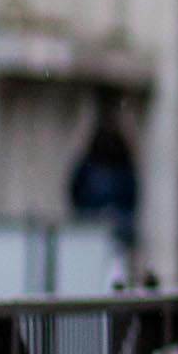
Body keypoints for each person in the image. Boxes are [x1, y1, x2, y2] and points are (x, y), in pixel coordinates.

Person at [66, 94, 142, 252]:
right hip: (91, 223)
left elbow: (132, 196)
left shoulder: (122, 163)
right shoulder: (90, 164)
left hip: (117, 226)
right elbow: (75, 191)